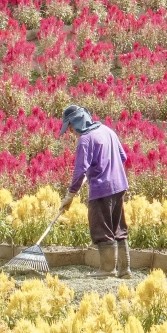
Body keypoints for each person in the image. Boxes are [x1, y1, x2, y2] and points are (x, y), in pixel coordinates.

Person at [57, 103, 130, 277]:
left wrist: (70, 194)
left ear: (76, 123)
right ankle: (124, 269)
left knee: (101, 228)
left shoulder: (86, 139)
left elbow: (80, 169)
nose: (72, 133)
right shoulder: (108, 131)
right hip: (119, 186)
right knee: (118, 228)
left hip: (101, 189)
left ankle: (107, 269)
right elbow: (123, 157)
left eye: (71, 128)